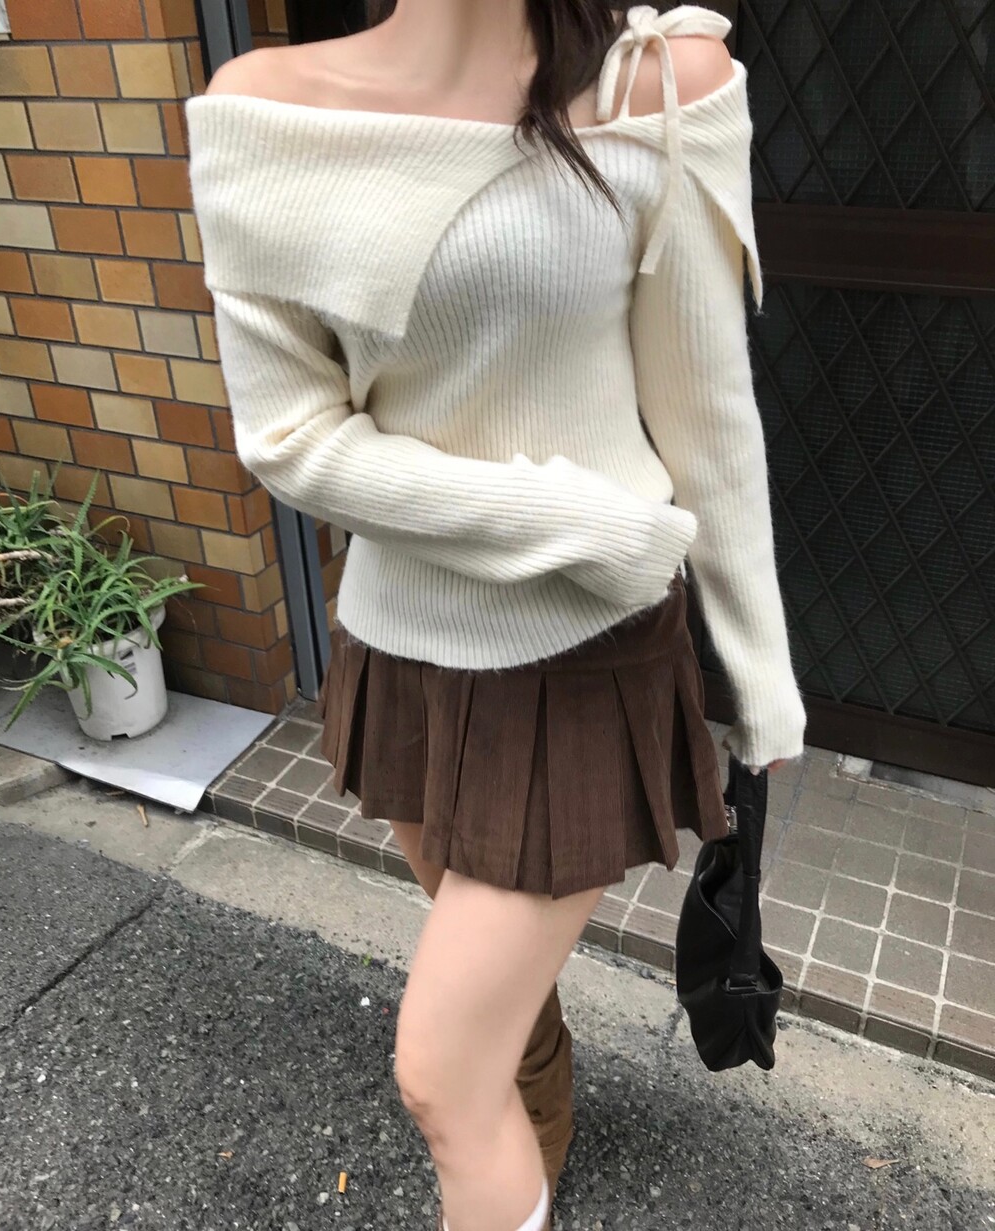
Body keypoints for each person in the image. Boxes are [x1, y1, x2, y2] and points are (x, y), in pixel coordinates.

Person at [185, 2, 807, 1228]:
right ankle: (540, 1107)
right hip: (402, 649)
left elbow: (709, 417)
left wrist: (757, 678)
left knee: (440, 1070)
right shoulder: (265, 108)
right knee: (495, 1020)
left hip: (584, 654)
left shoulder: (656, 78)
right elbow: (291, 437)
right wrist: (581, 523)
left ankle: (504, 1130)